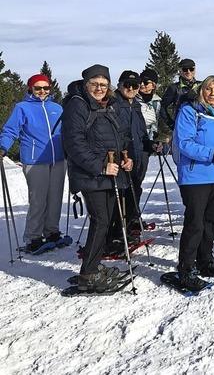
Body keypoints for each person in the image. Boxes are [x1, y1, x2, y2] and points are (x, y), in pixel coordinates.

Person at [62, 64, 133, 293]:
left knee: (105, 220)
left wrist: (125, 159)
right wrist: (101, 168)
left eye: (103, 84)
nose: (99, 88)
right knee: (100, 220)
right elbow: (74, 144)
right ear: (86, 84)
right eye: (95, 84)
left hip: (110, 173)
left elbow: (119, 137)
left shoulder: (109, 105)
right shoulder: (77, 105)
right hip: (91, 174)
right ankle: (89, 273)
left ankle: (92, 266)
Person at [173, 75, 214, 290]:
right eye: (209, 89)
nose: (213, 93)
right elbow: (185, 144)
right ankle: (186, 268)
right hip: (195, 177)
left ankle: (205, 259)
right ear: (202, 90)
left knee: (211, 222)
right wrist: (213, 154)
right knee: (195, 223)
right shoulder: (190, 112)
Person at [0, 74, 66, 253]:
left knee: (55, 198)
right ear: (30, 89)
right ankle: (33, 237)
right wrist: (3, 147)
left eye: (45, 88)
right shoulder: (22, 108)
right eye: (38, 88)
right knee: (38, 200)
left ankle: (52, 231)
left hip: (58, 158)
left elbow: (67, 130)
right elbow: (10, 130)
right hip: (35, 160)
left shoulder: (57, 108)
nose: (42, 91)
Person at [107, 71, 150, 245]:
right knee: (121, 194)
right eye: (127, 85)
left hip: (139, 154)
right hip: (122, 156)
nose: (131, 88)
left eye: (135, 85)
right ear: (120, 85)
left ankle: (130, 222)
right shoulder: (114, 104)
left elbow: (141, 132)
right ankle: (116, 231)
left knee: (135, 190)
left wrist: (151, 144)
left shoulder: (136, 105)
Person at [160, 58, 199, 130]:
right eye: (185, 69)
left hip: (199, 126)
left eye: (191, 69)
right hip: (182, 127)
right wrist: (171, 124)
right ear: (180, 71)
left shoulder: (201, 86)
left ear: (195, 69)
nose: (188, 72)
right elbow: (162, 106)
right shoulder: (174, 88)